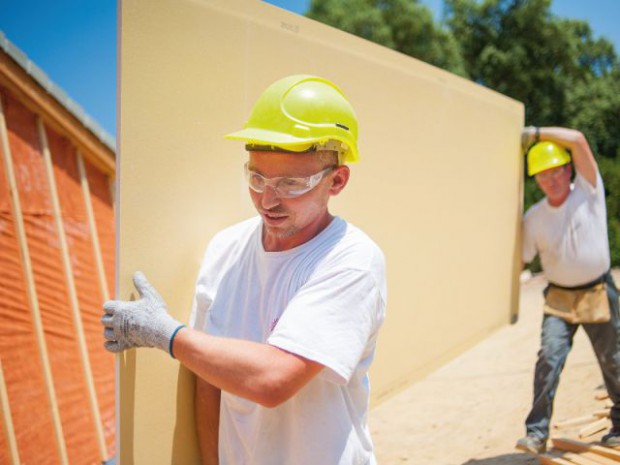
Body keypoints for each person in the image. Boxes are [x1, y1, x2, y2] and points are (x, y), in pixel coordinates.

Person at [101, 75, 387, 464]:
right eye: (257, 177)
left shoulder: (352, 259)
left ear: (337, 180)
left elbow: (273, 379)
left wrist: (163, 332)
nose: (267, 199)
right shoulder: (225, 249)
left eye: (290, 183)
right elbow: (208, 379)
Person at [515, 126, 620, 454]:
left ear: (568, 169)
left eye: (556, 171)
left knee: (614, 360)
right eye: (543, 175)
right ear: (536, 181)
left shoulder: (587, 192)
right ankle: (536, 433)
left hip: (597, 292)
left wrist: (533, 133)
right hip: (559, 296)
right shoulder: (533, 218)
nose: (551, 180)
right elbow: (519, 261)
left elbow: (577, 140)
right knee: (549, 358)